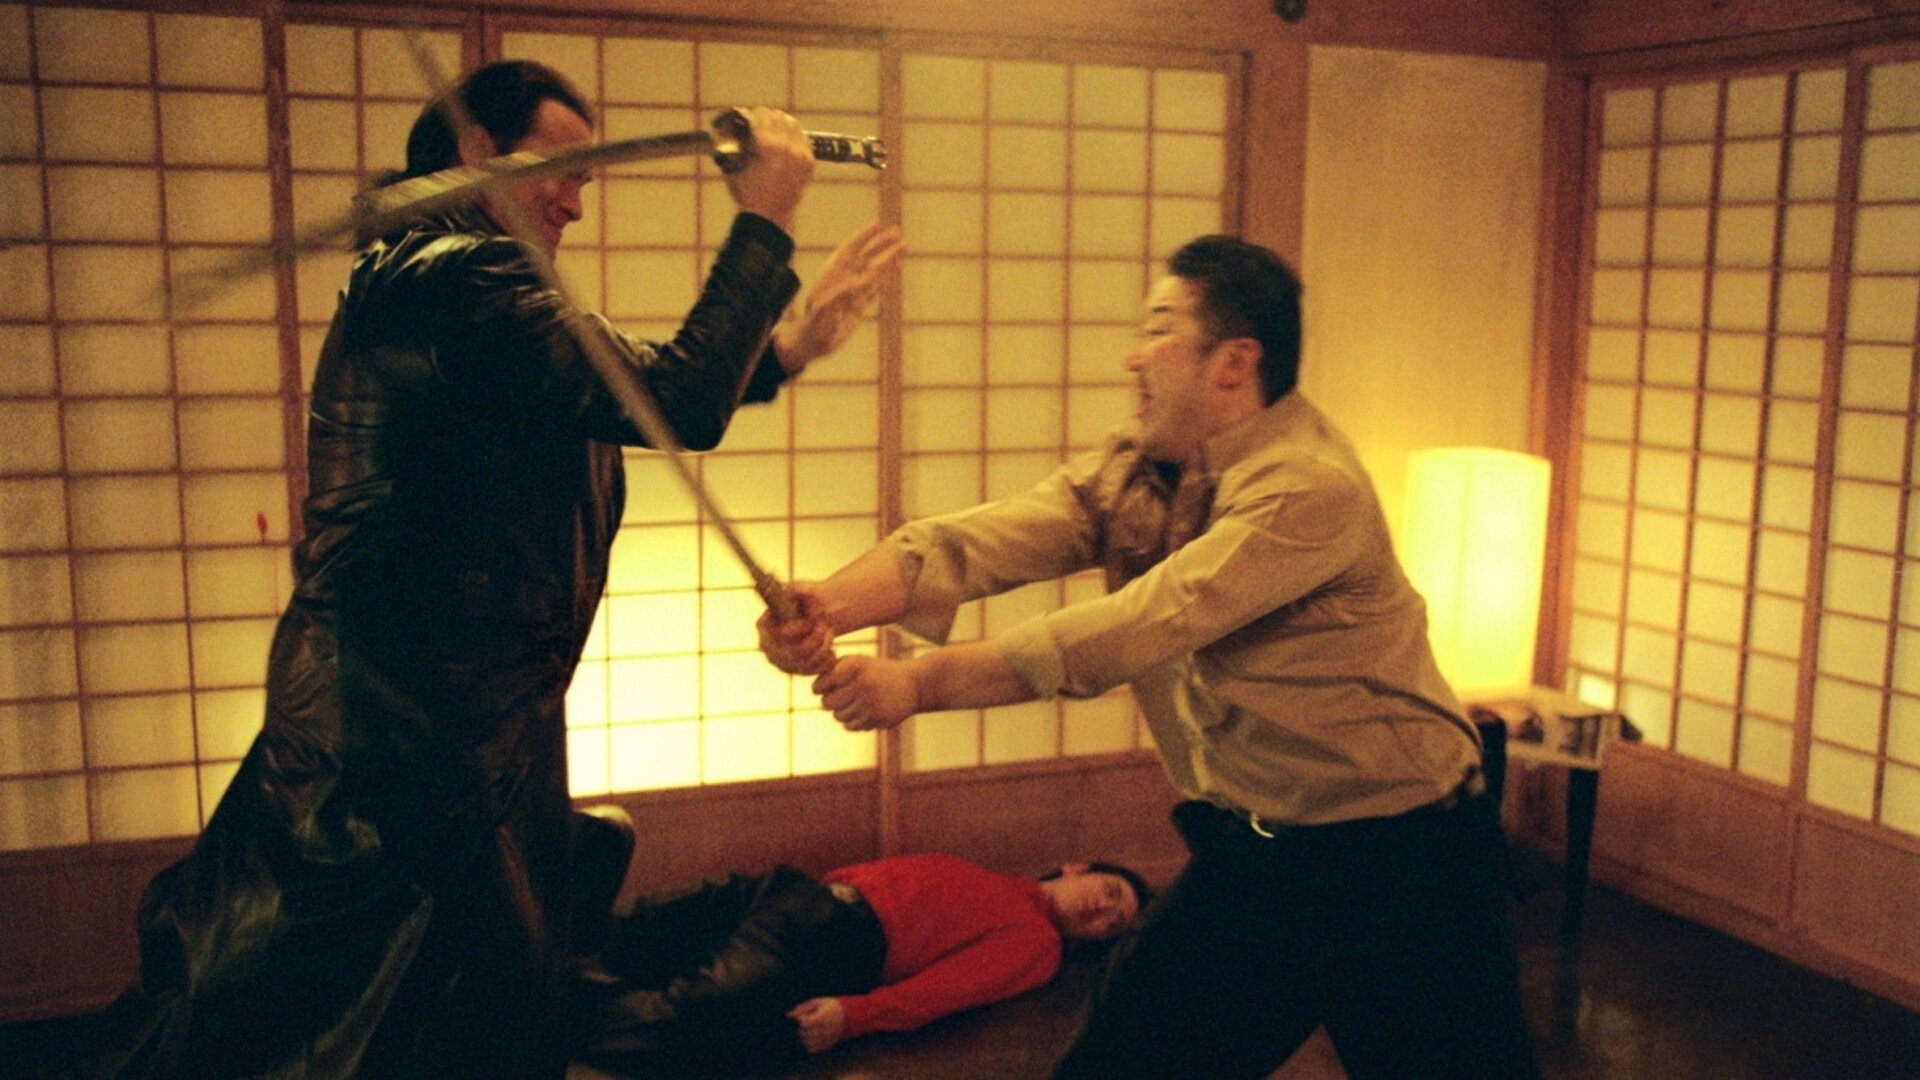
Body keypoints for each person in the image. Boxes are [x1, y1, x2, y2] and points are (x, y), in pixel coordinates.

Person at [96, 60, 900, 1080]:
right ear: (475, 154)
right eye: (556, 170)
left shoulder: (447, 284)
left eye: (583, 178)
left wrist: (785, 350)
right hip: (399, 728)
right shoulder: (451, 278)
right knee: (397, 1010)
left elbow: (620, 395)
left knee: (442, 1006)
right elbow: (674, 400)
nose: (574, 202)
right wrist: (765, 221)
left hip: (453, 715)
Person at [759, 235, 1541, 1079]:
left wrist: (918, 682)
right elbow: (978, 542)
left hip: (1406, 866)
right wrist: (828, 606)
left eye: (1160, 329)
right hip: (1256, 858)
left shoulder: (1309, 488)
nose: (1133, 356)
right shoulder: (1143, 469)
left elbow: (1132, 627)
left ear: (1234, 363)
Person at [569, 850, 1147, 1078]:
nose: (1103, 912)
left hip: (833, 936)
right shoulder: (999, 877)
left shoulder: (1038, 945)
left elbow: (950, 989)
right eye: (1111, 892)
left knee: (690, 1018)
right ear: (1077, 867)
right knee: (630, 928)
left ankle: (541, 1011)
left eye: (1113, 925)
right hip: (797, 893)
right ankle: (535, 956)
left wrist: (854, 1017)